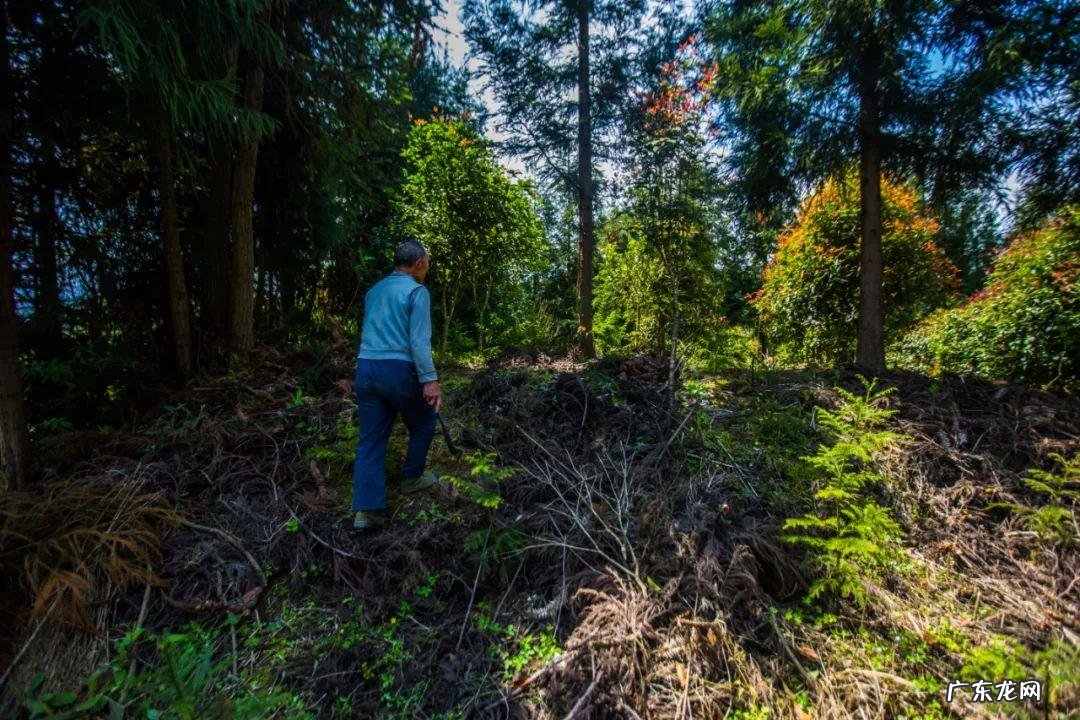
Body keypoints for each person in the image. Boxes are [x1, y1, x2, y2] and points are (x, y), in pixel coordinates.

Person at [351, 240, 442, 530]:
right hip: (397, 369)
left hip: (365, 367)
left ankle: (367, 512)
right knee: (425, 422)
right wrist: (429, 380)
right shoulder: (417, 291)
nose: (428, 267)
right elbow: (418, 341)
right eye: (427, 262)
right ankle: (412, 478)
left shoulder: (374, 290)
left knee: (371, 440)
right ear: (417, 264)